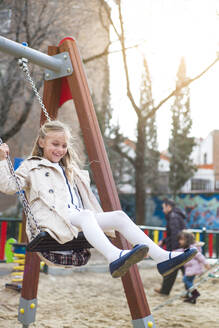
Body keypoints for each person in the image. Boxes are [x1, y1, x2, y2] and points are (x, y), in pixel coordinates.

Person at [0, 120, 197, 278]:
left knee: (119, 216)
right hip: (53, 220)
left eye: (63, 145)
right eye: (54, 144)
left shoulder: (69, 169)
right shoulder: (31, 166)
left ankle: (162, 258)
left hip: (75, 217)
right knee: (86, 216)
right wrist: (2, 160)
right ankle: (114, 256)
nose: (59, 150)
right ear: (42, 142)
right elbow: (8, 186)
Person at [155, 198, 186, 295]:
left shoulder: (173, 217)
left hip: (176, 249)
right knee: (182, 271)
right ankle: (165, 290)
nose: (163, 210)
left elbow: (175, 233)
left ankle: (165, 291)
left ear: (169, 207)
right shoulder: (175, 216)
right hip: (179, 247)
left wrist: (174, 249)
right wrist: (163, 241)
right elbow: (172, 234)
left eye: (163, 207)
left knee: (173, 270)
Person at [178, 230, 211, 304]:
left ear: (188, 240)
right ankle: (192, 297)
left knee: (186, 280)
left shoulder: (192, 249)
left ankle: (195, 293)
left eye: (182, 239)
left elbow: (199, 256)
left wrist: (206, 263)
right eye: (179, 239)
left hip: (193, 268)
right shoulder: (186, 248)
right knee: (189, 282)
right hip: (191, 268)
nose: (180, 241)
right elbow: (179, 251)